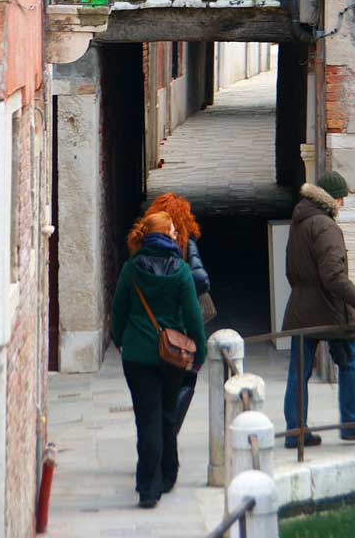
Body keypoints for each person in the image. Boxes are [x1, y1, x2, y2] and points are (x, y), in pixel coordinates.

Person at [111, 211, 207, 508]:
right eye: (174, 232)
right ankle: (168, 474)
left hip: (138, 356)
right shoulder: (180, 271)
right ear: (166, 235)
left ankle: (147, 487)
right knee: (167, 414)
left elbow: (119, 311)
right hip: (172, 358)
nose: (178, 236)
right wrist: (199, 354)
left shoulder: (131, 268)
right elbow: (193, 318)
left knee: (147, 418)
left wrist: (120, 341)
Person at [282, 171, 355, 448]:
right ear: (332, 198)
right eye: (341, 199)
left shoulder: (299, 221)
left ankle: (295, 430)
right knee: (350, 361)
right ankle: (352, 424)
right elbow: (334, 276)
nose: (343, 204)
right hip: (329, 309)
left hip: (301, 307)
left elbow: (292, 269)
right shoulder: (325, 226)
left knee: (298, 372)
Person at [144, 193, 211, 432]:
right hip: (177, 332)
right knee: (175, 392)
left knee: (151, 399)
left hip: (146, 332)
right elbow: (201, 280)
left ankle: (154, 445)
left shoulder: (139, 248)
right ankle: (166, 438)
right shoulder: (186, 242)